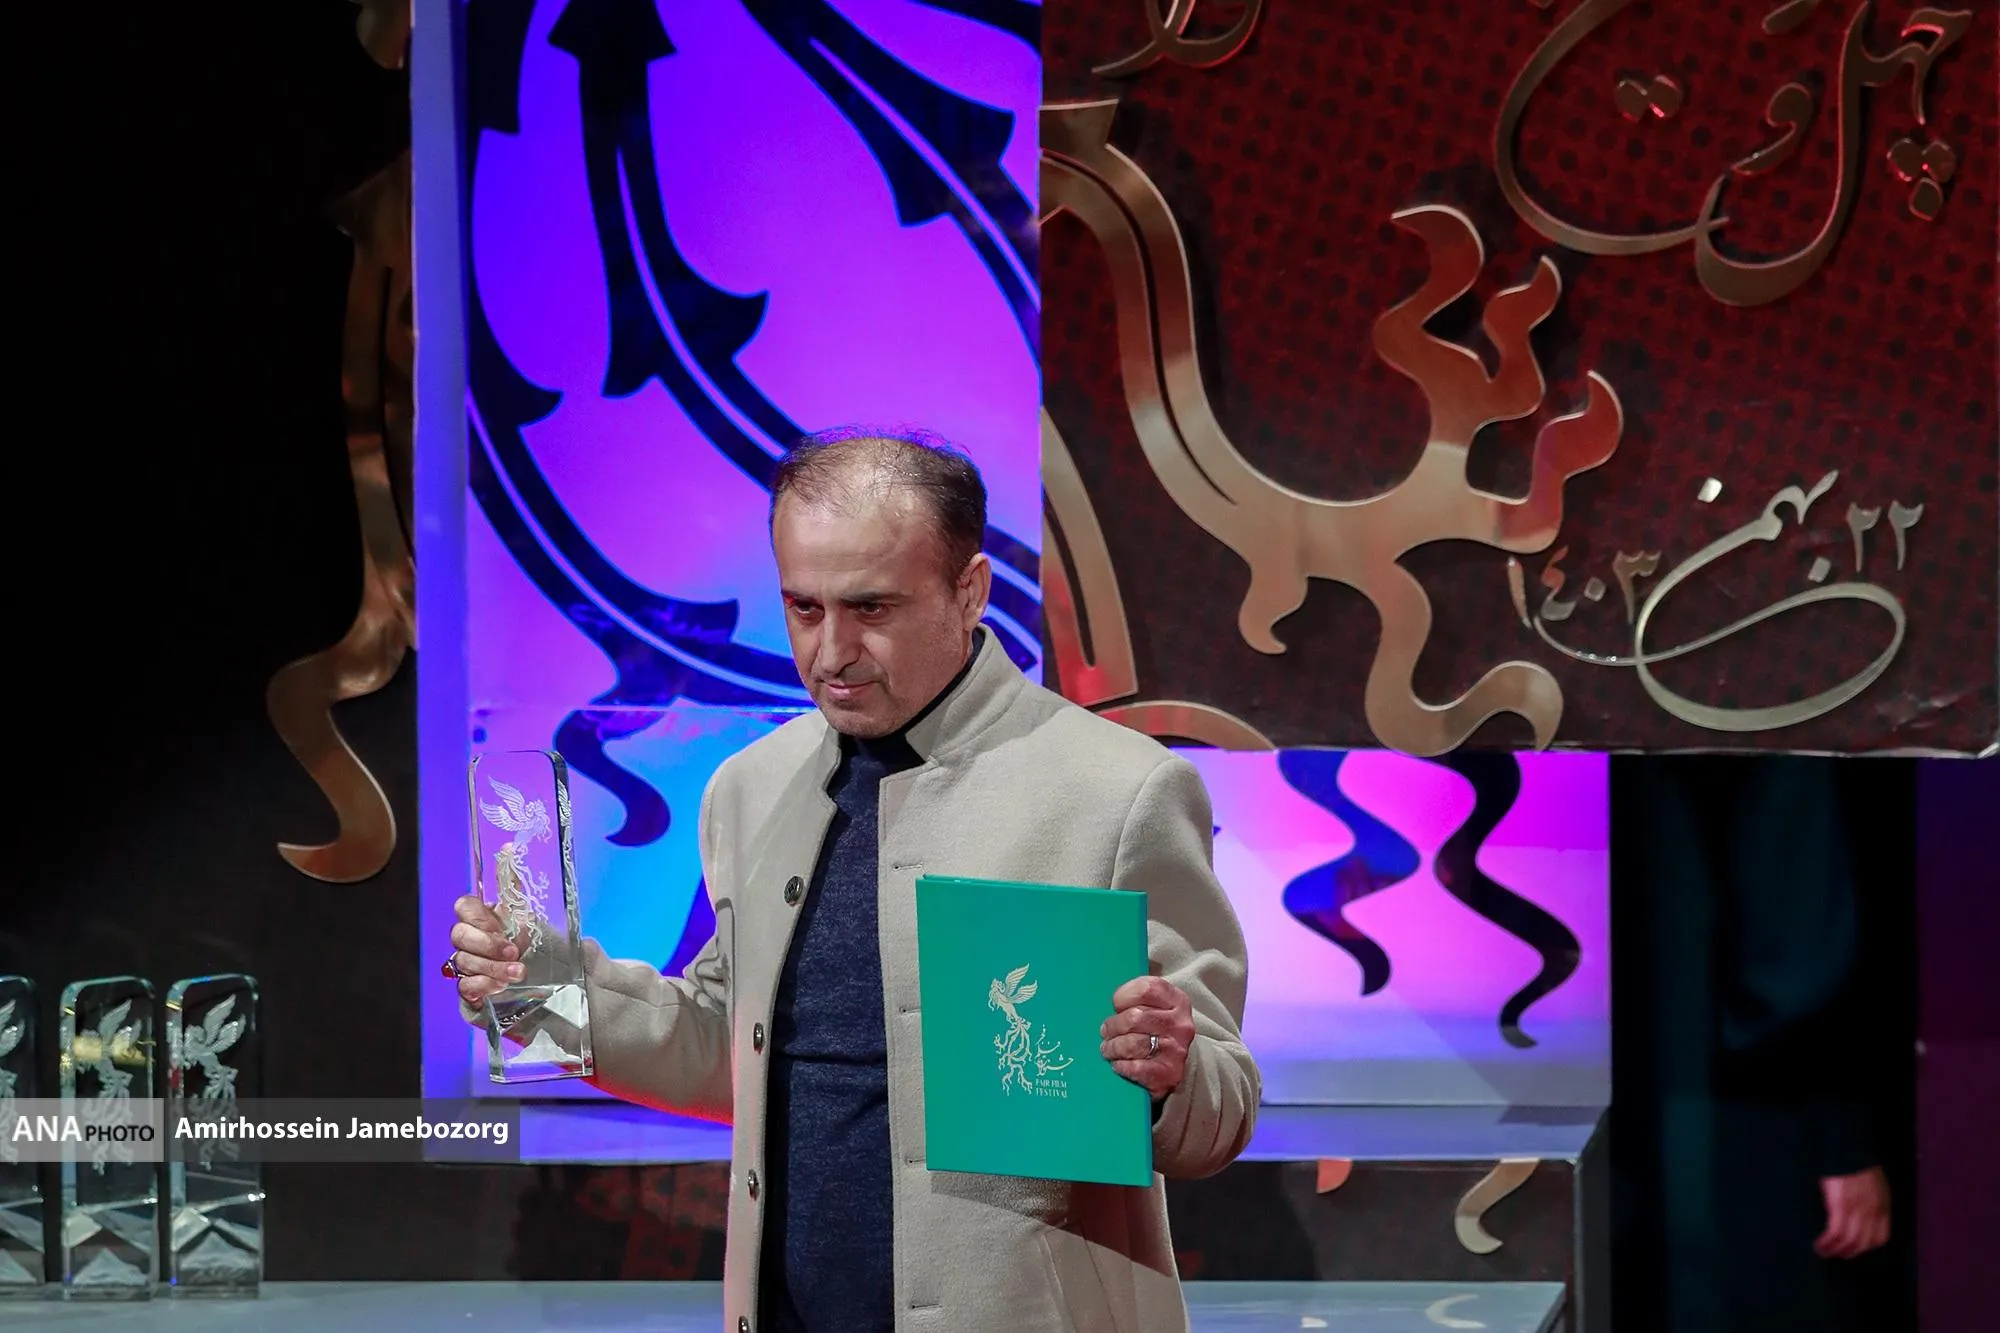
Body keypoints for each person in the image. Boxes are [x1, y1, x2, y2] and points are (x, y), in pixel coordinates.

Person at [446, 427, 1260, 1332]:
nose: (831, 651)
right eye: (804, 607)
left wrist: (1168, 1073)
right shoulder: (749, 787)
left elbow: (1221, 1109)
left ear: (970, 591)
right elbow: (730, 1044)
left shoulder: (1120, 790)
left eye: (871, 607)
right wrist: (540, 991)